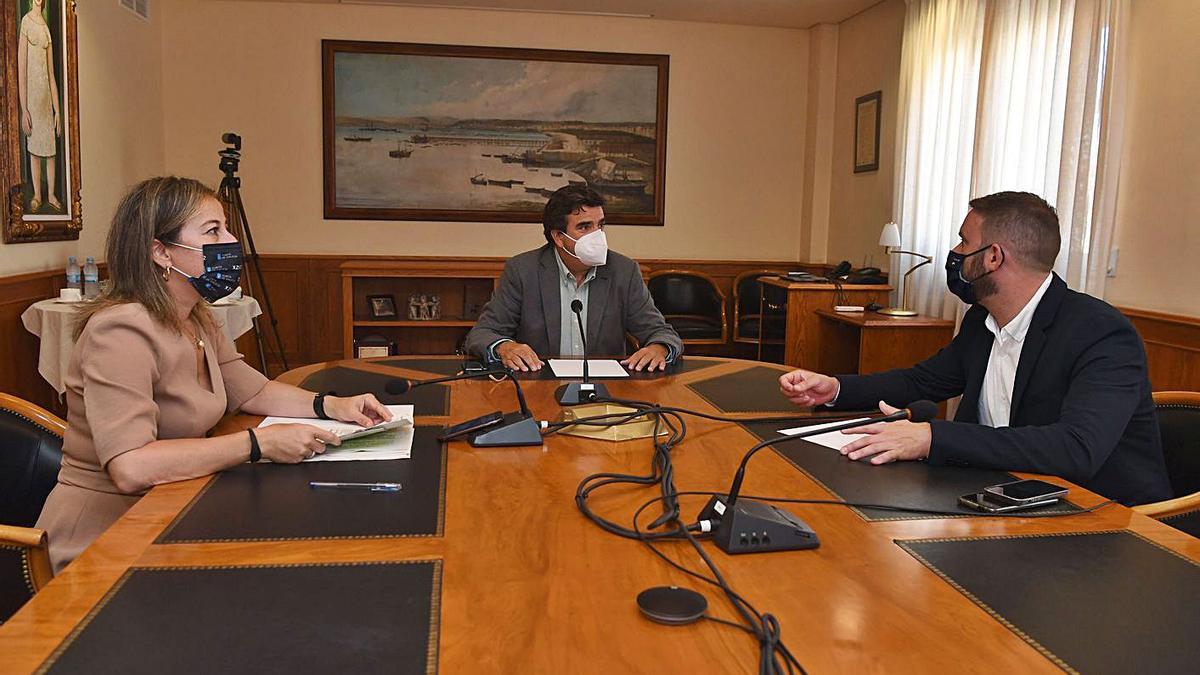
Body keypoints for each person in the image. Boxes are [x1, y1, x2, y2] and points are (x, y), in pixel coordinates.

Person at [35, 177, 392, 571]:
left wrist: (334, 406)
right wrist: (258, 444)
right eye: (212, 230)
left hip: (172, 511)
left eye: (225, 227)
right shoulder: (119, 331)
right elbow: (130, 466)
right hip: (103, 541)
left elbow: (252, 392)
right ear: (161, 252)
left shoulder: (197, 317)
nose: (230, 240)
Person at [778, 191, 1170, 506]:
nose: (956, 252)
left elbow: (1076, 448)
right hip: (1002, 496)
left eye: (965, 241)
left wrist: (930, 438)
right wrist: (836, 389)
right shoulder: (982, 320)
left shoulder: (1102, 334)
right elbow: (923, 381)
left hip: (1102, 520)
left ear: (994, 257)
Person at [465, 185, 683, 371]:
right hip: (540, 384)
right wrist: (506, 347)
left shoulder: (623, 271)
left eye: (600, 225)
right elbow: (482, 333)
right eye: (584, 227)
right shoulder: (523, 270)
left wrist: (659, 348)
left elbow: (661, 332)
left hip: (608, 390)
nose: (597, 235)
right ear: (559, 237)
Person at [17, 0, 62, 213]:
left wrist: (58, 111)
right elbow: (21, 70)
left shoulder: (45, 28)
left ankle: (51, 193)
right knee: (35, 150)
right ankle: (37, 194)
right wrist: (24, 109)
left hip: (46, 99)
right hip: (32, 98)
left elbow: (52, 74)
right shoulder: (26, 22)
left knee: (50, 151)